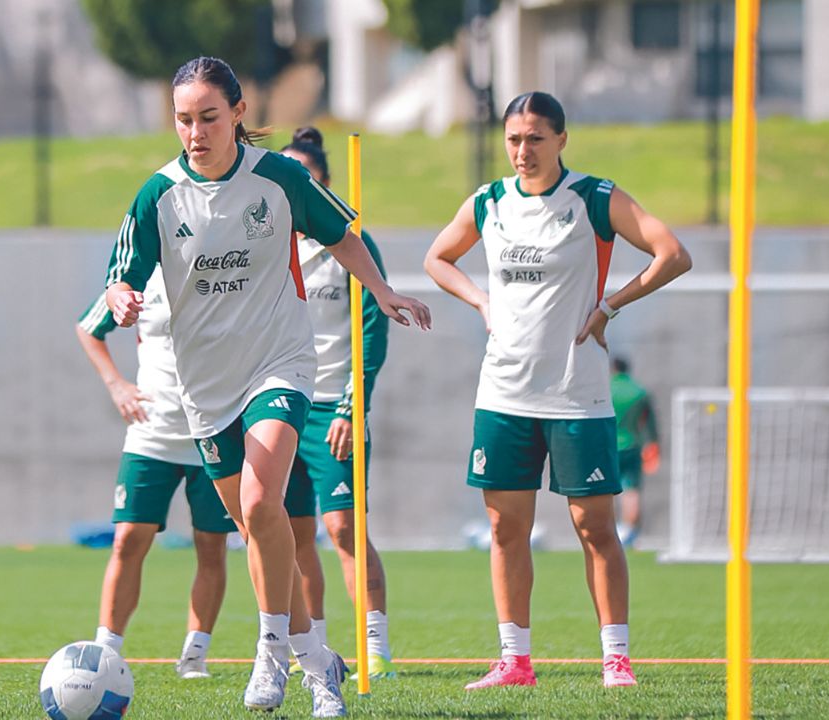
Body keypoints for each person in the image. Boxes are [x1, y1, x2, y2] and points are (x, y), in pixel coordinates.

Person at [101, 56, 430, 717]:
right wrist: (122, 297)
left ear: (239, 114)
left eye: (209, 117)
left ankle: (270, 652)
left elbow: (343, 234)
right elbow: (122, 275)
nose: (195, 132)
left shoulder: (279, 178)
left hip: (279, 364)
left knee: (258, 504)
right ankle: (318, 663)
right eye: (184, 120)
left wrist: (385, 291)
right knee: (261, 527)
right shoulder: (157, 196)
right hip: (204, 386)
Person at [423, 91, 691, 691]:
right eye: (514, 139)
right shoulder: (489, 201)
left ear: (561, 140)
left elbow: (673, 254)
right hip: (503, 395)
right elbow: (438, 259)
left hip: (578, 396)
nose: (522, 151)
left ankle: (616, 660)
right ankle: (515, 661)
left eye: (535, 138)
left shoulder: (594, 198)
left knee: (595, 528)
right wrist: (481, 300)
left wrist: (610, 306)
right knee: (504, 530)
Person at [76, 263, 236, 679]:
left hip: (213, 432)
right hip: (152, 435)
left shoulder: (226, 268)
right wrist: (116, 385)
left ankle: (195, 654)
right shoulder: (141, 277)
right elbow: (89, 327)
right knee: (128, 539)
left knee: (211, 546)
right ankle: (106, 650)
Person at [279, 127, 397, 680]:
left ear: (323, 183)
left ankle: (375, 647)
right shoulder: (265, 244)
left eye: (307, 179)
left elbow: (371, 331)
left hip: (333, 407)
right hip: (281, 404)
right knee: (292, 534)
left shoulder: (350, 244)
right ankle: (315, 650)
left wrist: (354, 406)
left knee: (343, 527)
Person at [610, 356, 660, 548]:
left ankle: (613, 533)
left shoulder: (607, 389)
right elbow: (650, 424)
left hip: (609, 446)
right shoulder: (639, 392)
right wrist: (653, 444)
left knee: (606, 492)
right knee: (631, 491)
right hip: (632, 445)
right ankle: (629, 532)